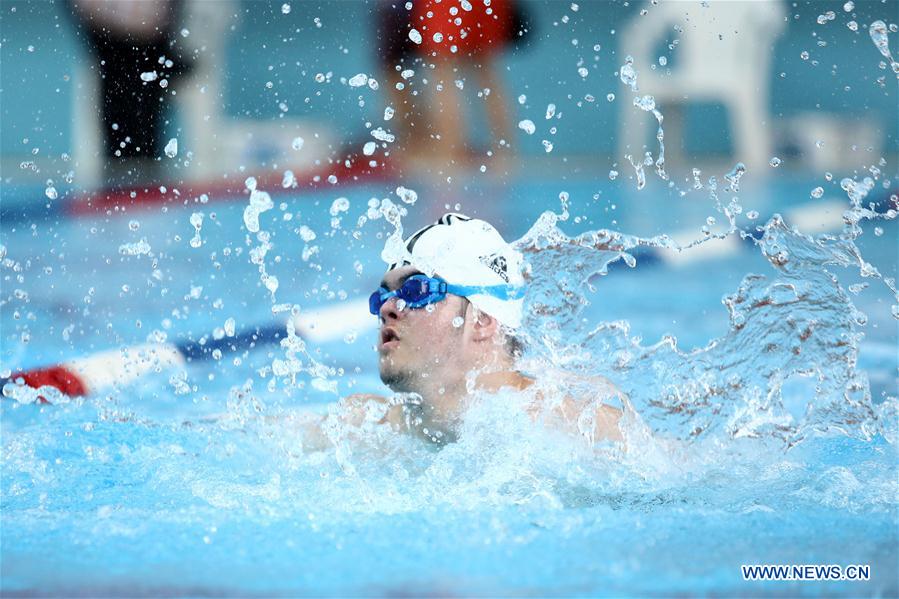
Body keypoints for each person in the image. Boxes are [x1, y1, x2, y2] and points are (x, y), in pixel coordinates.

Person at [301, 213, 624, 449]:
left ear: (483, 319)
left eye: (417, 291)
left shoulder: (583, 431)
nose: (388, 308)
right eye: (383, 296)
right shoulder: (362, 426)